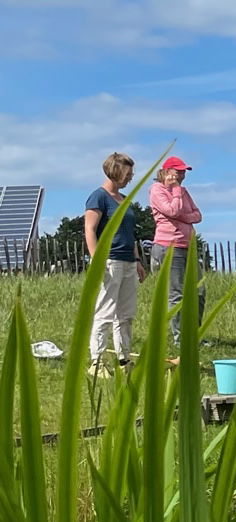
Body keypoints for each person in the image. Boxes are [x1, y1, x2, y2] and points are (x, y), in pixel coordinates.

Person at [84, 151, 146, 371]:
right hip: (109, 261)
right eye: (128, 173)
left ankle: (124, 359)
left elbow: (131, 234)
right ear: (116, 171)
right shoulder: (98, 197)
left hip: (128, 261)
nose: (131, 177)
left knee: (126, 314)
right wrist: (97, 259)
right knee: (105, 312)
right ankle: (97, 361)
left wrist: (137, 259)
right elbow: (90, 230)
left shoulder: (126, 201)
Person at [149, 156, 205, 353]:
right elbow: (172, 209)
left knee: (198, 291)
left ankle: (195, 333)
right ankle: (181, 338)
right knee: (177, 294)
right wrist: (176, 192)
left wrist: (182, 215)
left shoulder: (183, 191)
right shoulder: (158, 190)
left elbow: (197, 215)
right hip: (169, 246)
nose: (182, 175)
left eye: (183, 171)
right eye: (179, 171)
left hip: (187, 245)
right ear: (167, 172)